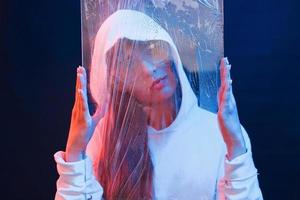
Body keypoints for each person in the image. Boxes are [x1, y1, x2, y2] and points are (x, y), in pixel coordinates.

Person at [54, 9, 263, 200]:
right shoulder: (106, 140)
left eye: (151, 49)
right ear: (116, 81)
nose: (148, 68)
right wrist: (74, 152)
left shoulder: (218, 134)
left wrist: (235, 143)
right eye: (128, 63)